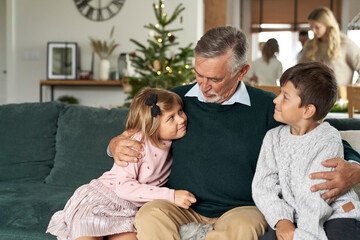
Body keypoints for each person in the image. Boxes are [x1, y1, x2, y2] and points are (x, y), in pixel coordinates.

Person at [108, 26, 360, 240]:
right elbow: (134, 135)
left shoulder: (268, 107)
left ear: (241, 72)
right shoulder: (175, 101)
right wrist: (113, 145)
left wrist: (354, 168)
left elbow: (319, 134)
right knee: (150, 215)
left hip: (241, 209)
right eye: (198, 74)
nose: (203, 86)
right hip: (178, 204)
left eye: (214, 79)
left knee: (244, 227)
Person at [46, 87, 196, 240]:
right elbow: (124, 188)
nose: (181, 119)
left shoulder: (170, 142)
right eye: (171, 118)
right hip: (101, 200)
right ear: (152, 125)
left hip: (127, 211)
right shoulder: (137, 144)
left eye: (180, 111)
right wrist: (171, 196)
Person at [252, 62, 360, 240]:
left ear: (308, 110)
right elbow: (263, 187)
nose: (276, 100)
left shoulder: (328, 138)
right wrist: (281, 220)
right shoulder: (273, 138)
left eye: (285, 97)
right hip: (293, 216)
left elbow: (315, 194)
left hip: (335, 215)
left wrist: (301, 236)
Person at [298, 7, 360, 99]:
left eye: (317, 27)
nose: (313, 31)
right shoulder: (310, 45)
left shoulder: (346, 45)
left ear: (328, 25)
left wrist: (353, 91)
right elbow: (299, 70)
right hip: (315, 100)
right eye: (311, 27)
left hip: (339, 103)